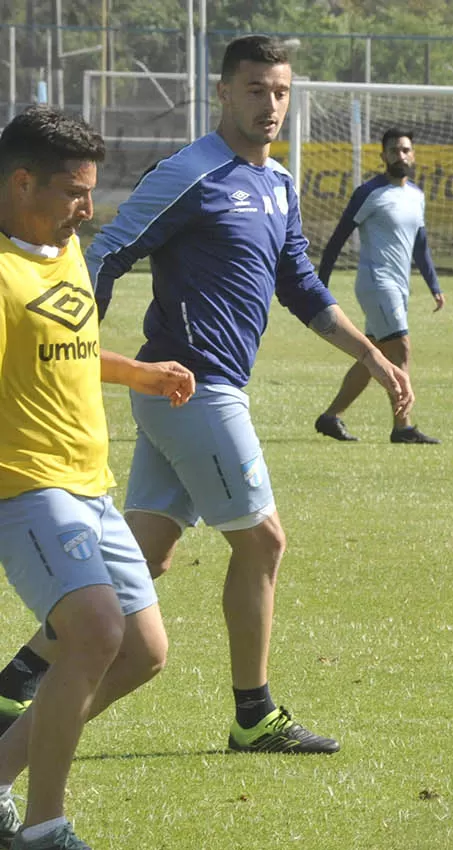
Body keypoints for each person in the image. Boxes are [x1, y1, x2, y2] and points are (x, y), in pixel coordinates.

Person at [0, 35, 414, 755]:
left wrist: (371, 354)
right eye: (255, 89)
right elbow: (107, 253)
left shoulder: (278, 184)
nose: (270, 104)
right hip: (195, 389)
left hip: (193, 392)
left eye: (281, 91)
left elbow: (300, 287)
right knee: (263, 541)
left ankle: (22, 673)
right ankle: (254, 714)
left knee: (146, 557)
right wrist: (66, 361)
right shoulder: (191, 171)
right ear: (223, 92)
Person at [0, 106, 195, 850]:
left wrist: (135, 371)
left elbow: (68, 347)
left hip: (91, 487)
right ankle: (45, 829)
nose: (88, 208)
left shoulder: (63, 246)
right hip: (25, 489)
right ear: (23, 183)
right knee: (95, 633)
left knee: (143, 652)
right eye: (76, 191)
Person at [314, 126, 443, 444]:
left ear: (413, 155)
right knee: (401, 348)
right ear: (382, 155)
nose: (400, 155)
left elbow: (420, 244)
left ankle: (331, 417)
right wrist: (321, 283)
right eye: (394, 150)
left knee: (372, 354)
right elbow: (338, 237)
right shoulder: (370, 192)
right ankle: (403, 427)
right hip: (376, 283)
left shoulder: (416, 196)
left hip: (399, 286)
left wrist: (434, 285)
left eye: (405, 150)